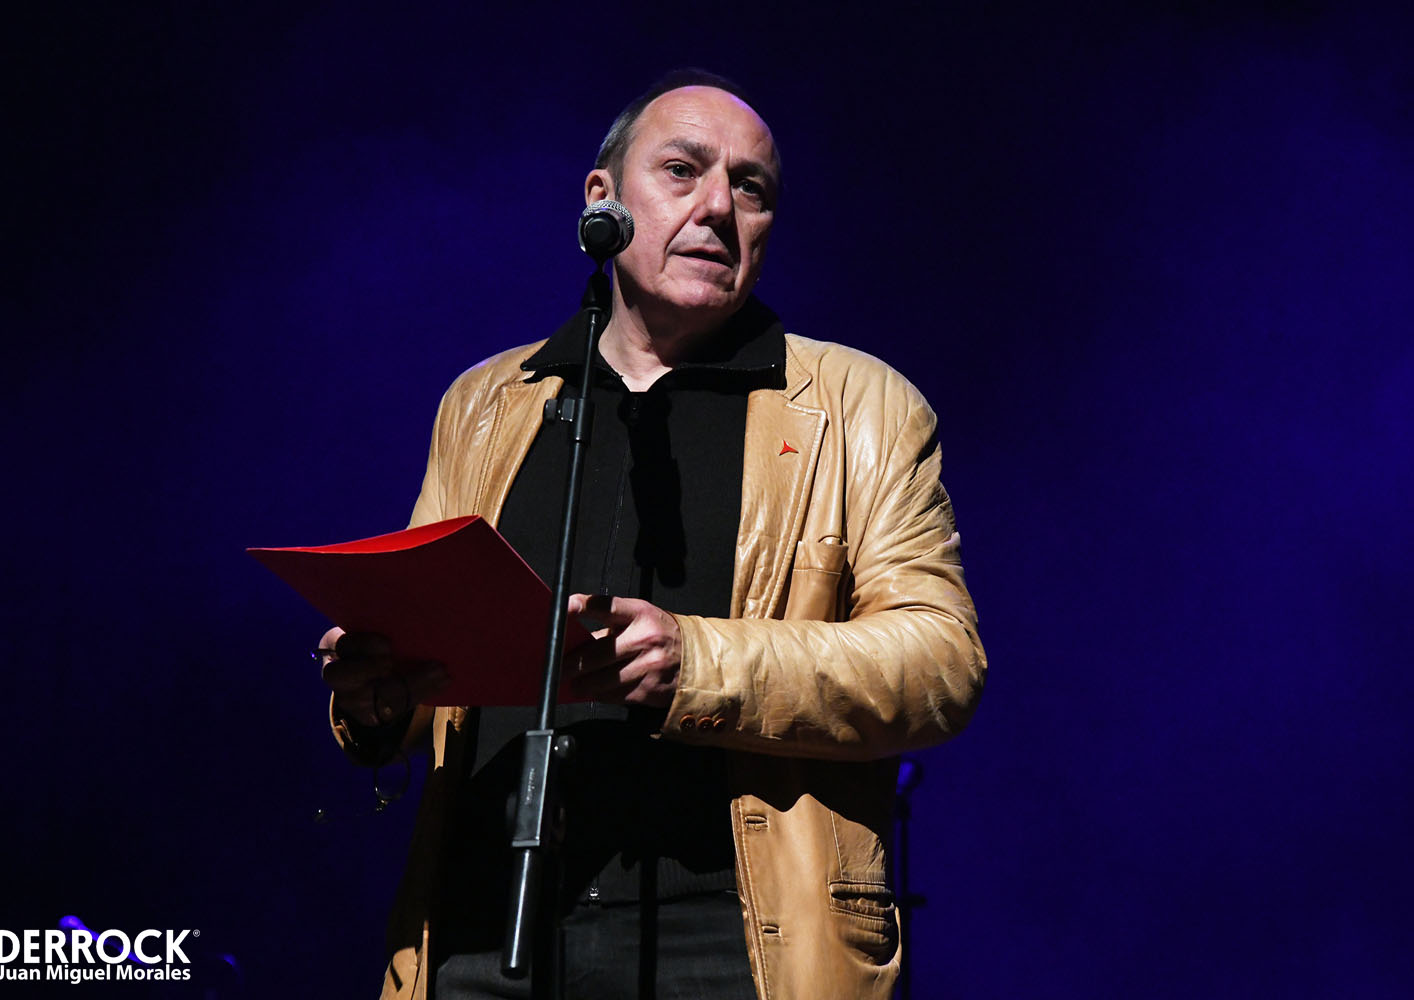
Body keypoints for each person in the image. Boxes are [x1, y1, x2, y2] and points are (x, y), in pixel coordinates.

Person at [317, 70, 986, 1000]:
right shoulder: (485, 404)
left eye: (751, 188)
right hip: (480, 931)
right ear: (603, 198)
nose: (717, 207)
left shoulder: (861, 407)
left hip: (728, 945)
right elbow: (436, 672)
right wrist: (381, 698)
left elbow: (941, 664)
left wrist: (695, 662)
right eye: (682, 170)